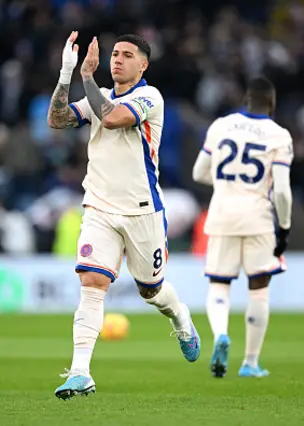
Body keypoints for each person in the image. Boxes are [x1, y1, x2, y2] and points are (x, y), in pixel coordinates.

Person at [46, 32, 200, 400]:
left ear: (143, 64)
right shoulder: (99, 96)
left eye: (127, 55)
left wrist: (87, 78)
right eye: (115, 54)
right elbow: (57, 119)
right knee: (92, 283)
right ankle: (80, 372)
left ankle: (181, 318)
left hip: (142, 211)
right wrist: (67, 73)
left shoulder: (149, 97)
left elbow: (113, 119)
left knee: (152, 291)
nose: (117, 60)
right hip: (99, 207)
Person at [191, 77, 293, 378]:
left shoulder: (220, 125)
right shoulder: (279, 135)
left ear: (245, 99)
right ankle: (250, 362)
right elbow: (283, 191)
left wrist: (225, 183)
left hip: (222, 214)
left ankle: (221, 334)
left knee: (219, 284)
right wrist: (284, 228)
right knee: (259, 290)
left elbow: (199, 172)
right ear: (272, 104)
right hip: (258, 218)